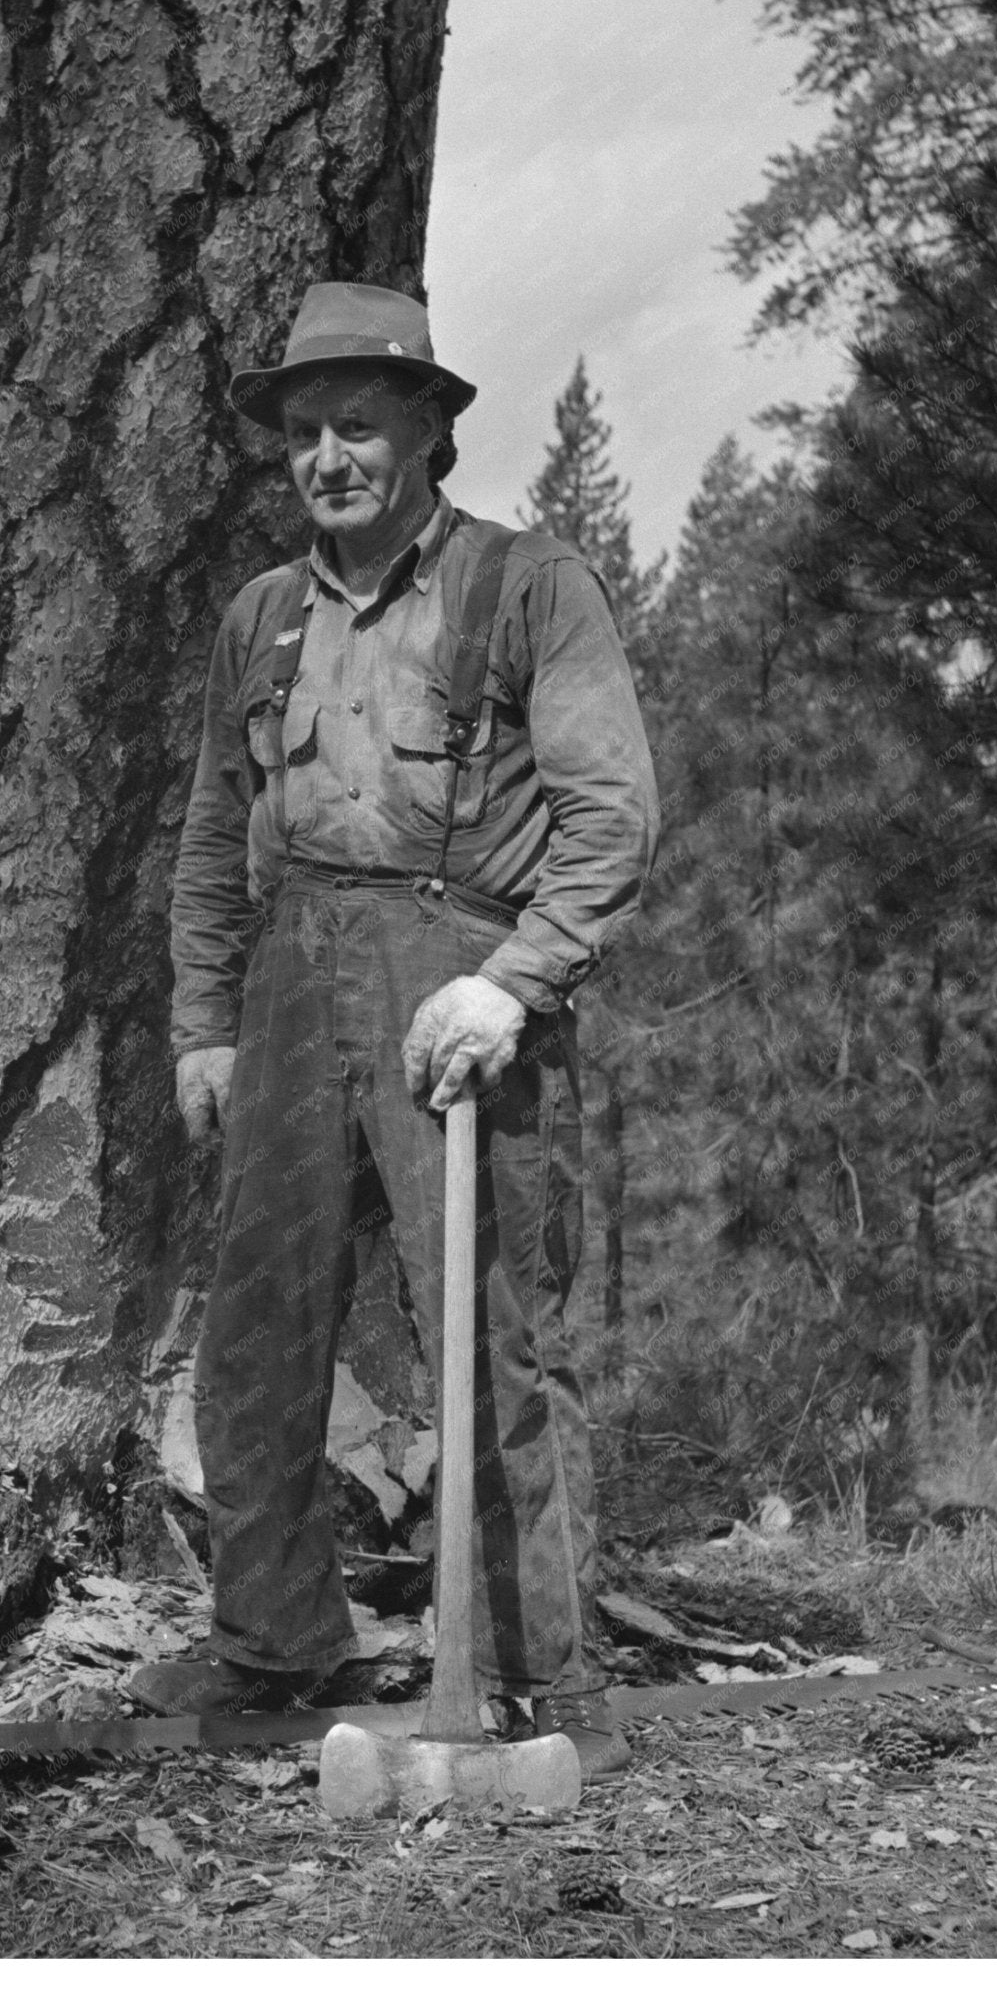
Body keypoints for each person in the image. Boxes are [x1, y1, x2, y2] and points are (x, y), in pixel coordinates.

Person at [134, 282, 660, 1780]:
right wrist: (204, 1030)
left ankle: (537, 1681)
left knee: (488, 1335)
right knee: (257, 1335)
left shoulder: (524, 585)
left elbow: (611, 814)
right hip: (290, 982)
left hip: (454, 971)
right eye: (304, 432)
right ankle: (278, 1648)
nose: (329, 457)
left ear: (429, 427)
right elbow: (208, 839)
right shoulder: (263, 616)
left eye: (359, 423)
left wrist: (516, 980)